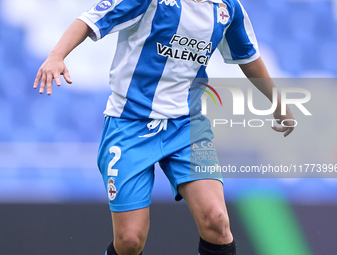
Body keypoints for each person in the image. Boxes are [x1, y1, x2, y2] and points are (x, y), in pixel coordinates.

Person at [33, 0, 294, 254]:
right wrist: (57, 56)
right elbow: (89, 19)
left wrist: (277, 102)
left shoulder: (228, 7)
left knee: (216, 221)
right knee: (130, 241)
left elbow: (248, 57)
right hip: (129, 125)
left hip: (187, 126)